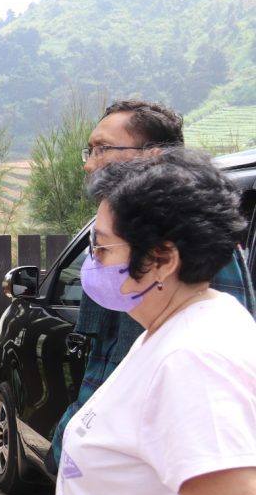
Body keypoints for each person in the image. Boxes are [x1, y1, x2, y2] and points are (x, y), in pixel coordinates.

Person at [56, 149, 256, 495]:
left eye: (104, 247)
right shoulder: (168, 329)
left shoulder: (196, 358)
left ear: (163, 259)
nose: (94, 261)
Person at [48, 100, 255, 472]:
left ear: (153, 156)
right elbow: (110, 364)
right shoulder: (130, 236)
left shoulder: (198, 256)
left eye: (102, 149)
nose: (89, 162)